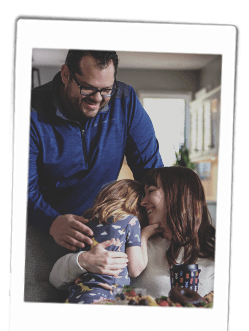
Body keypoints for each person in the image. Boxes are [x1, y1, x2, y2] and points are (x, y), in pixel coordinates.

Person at [28, 49, 163, 251]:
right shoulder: (29, 110)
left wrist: (165, 211)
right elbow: (22, 186)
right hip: (43, 227)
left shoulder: (125, 101)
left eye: (107, 89)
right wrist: (51, 222)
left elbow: (151, 172)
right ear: (66, 74)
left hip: (102, 229)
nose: (97, 99)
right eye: (88, 88)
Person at [49, 166, 215, 300]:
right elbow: (56, 279)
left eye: (151, 191)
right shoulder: (136, 242)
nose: (143, 202)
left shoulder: (213, 248)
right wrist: (84, 260)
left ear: (176, 195)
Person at [49, 179, 159, 304]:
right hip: (108, 299)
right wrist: (144, 235)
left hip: (76, 297)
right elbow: (135, 269)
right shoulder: (131, 222)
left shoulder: (85, 221)